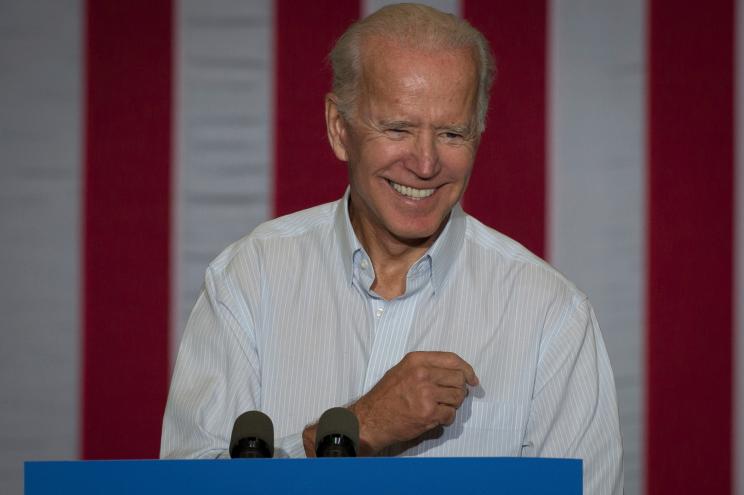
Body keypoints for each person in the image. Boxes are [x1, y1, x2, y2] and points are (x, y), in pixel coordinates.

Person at [161, 3, 623, 493]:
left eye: (451, 133)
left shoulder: (553, 316)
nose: (425, 164)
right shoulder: (249, 279)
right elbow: (189, 481)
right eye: (398, 129)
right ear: (340, 129)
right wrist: (355, 430)